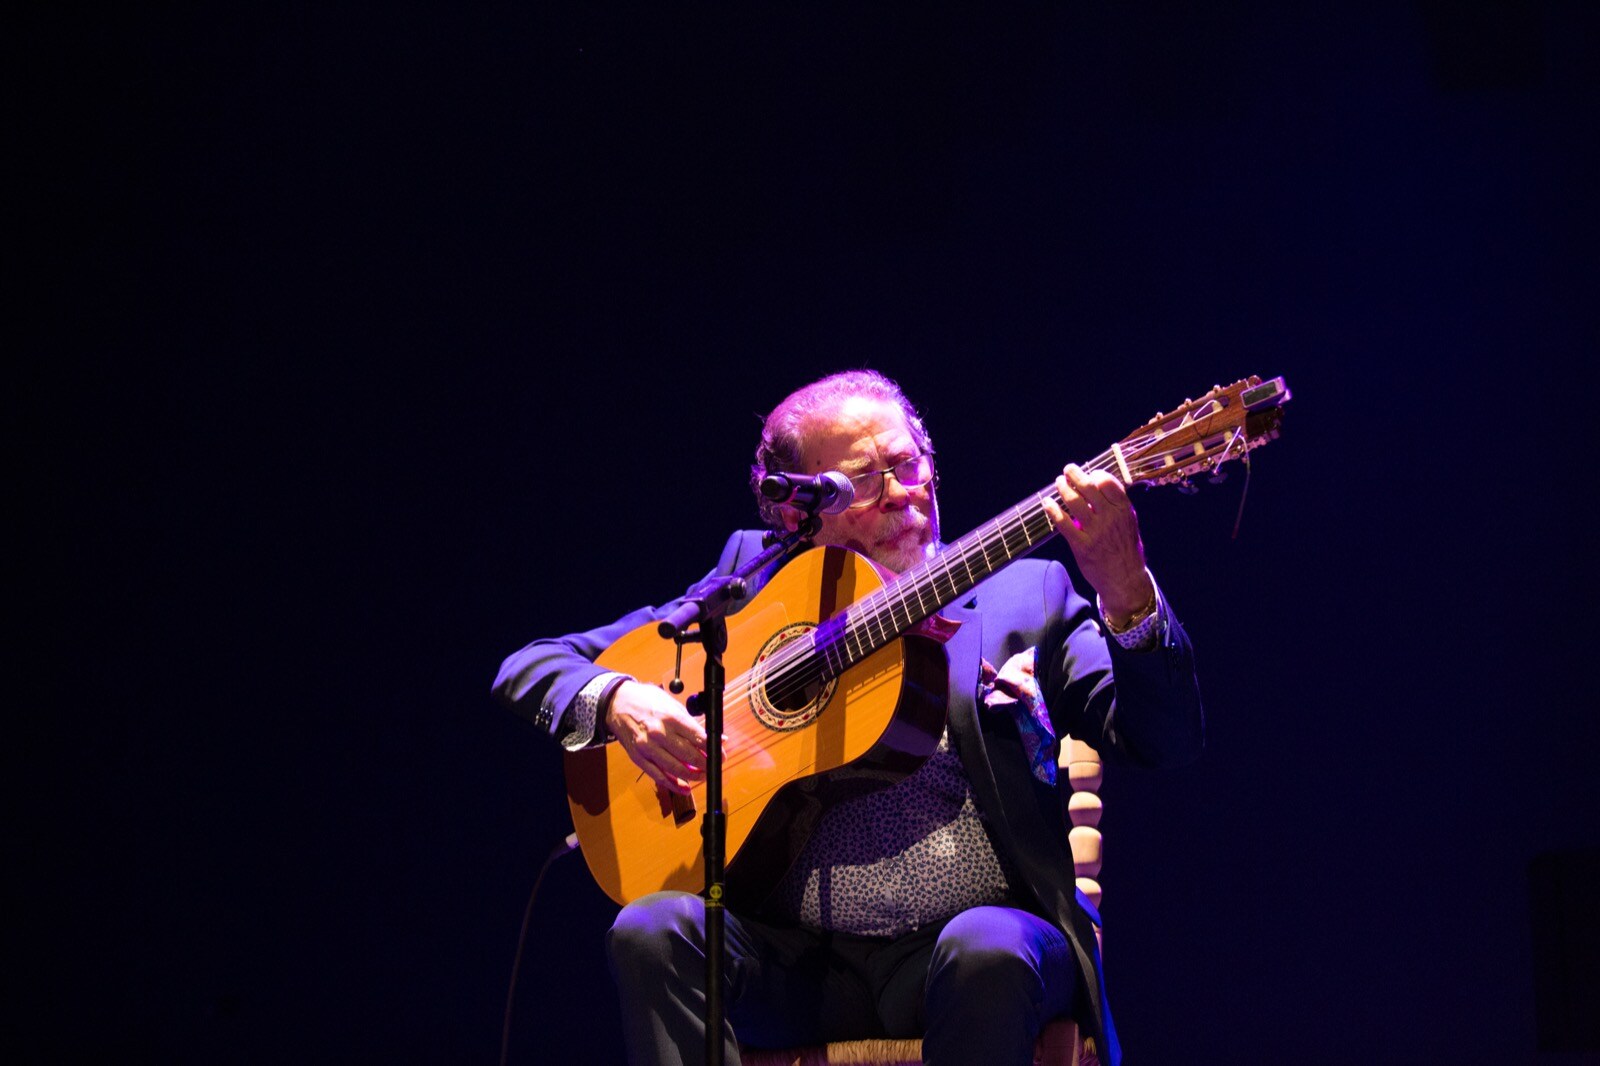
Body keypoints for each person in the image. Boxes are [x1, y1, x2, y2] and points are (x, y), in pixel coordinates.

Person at [493, 369, 1204, 1066]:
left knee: (988, 949)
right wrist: (619, 700)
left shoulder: (1027, 595)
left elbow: (1164, 739)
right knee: (651, 927)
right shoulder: (752, 586)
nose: (900, 494)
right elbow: (531, 665)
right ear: (797, 511)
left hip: (966, 958)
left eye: (908, 464)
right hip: (797, 965)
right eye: (864, 480)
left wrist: (1125, 587)